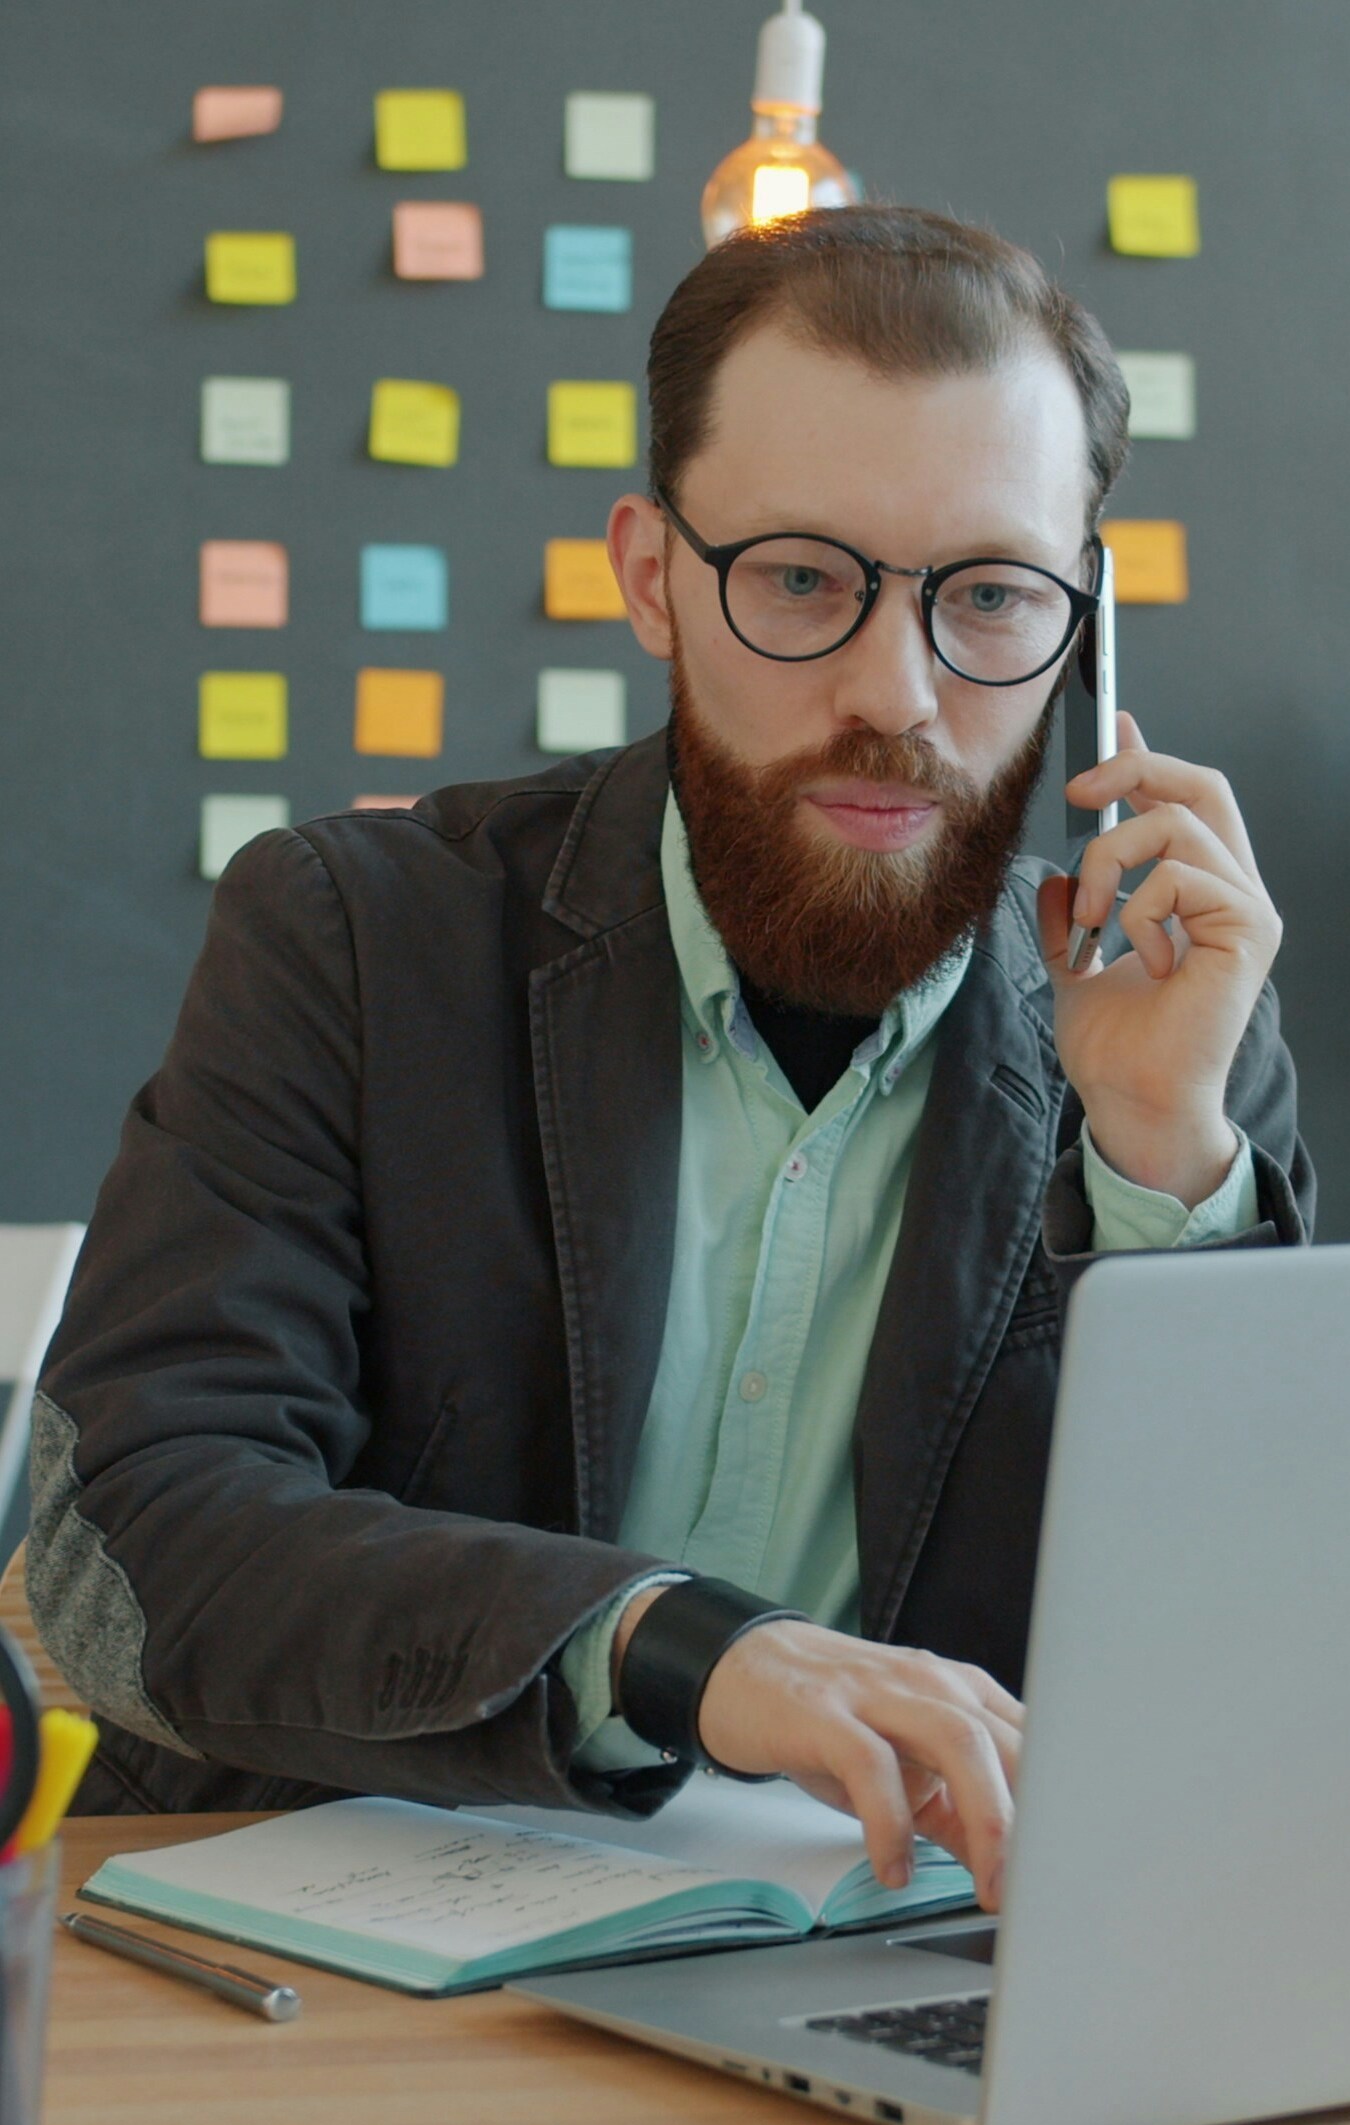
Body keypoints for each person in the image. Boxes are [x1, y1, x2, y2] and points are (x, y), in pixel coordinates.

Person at [27, 206, 1310, 1914]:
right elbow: (138, 1548)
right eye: (799, 578)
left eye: (991, 598)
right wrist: (674, 1649)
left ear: (1082, 624)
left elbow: (1242, 1699)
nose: (896, 691)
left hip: (865, 1976)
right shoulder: (351, 935)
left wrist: (1159, 1163)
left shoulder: (1177, 1024)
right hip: (331, 1960)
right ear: (652, 576)